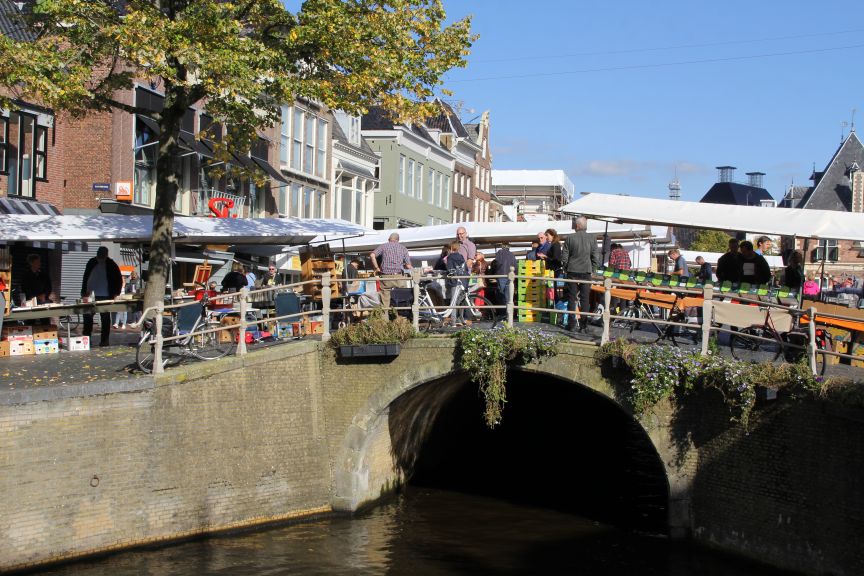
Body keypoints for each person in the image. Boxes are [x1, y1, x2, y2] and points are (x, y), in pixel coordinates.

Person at [561, 216, 599, 333]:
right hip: (586, 271)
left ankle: (571, 324)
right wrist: (593, 270)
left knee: (571, 298)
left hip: (572, 270)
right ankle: (584, 325)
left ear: (577, 226)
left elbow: (565, 257)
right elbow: (595, 256)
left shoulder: (570, 238)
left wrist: (565, 268)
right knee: (585, 299)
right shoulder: (592, 238)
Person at [81, 246, 123, 347]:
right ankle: (87, 340)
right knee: (87, 318)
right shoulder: (91, 262)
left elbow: (118, 279)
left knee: (105, 319)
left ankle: (104, 341)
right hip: (91, 294)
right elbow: (86, 277)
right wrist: (84, 293)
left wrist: (116, 293)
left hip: (106, 294)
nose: (101, 258)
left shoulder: (111, 264)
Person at [370, 232, 413, 309]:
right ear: (398, 240)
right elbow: (408, 266)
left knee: (385, 300)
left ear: (389, 239)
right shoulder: (403, 248)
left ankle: (385, 319)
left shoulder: (383, 246)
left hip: (386, 277)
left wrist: (377, 268)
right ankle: (401, 318)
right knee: (401, 299)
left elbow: (372, 255)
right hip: (399, 276)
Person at [444, 240, 469, 326]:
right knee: (461, 301)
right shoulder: (461, 257)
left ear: (451, 248)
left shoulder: (450, 257)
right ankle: (462, 319)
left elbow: (450, 269)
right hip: (463, 281)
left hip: (454, 281)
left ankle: (453, 321)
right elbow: (465, 269)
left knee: (453, 302)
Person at [489, 241, 516, 308]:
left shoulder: (499, 253)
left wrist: (493, 272)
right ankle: (508, 313)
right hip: (510, 276)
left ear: (502, 246)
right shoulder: (512, 254)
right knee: (508, 295)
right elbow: (515, 265)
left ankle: (503, 312)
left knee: (501, 295)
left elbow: (497, 263)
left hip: (501, 275)